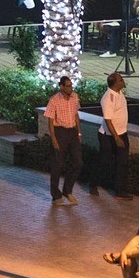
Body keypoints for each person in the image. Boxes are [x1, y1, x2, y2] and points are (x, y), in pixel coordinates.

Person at [44, 76, 82, 206]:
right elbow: (50, 121)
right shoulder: (54, 100)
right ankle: (56, 195)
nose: (70, 88)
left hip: (72, 132)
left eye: (71, 86)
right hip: (60, 132)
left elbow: (76, 115)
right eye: (68, 86)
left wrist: (79, 132)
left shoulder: (74, 97)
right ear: (61, 87)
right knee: (57, 165)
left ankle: (67, 190)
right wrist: (53, 138)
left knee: (78, 162)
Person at [101, 72, 131, 199]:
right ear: (115, 84)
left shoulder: (119, 93)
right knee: (104, 161)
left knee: (122, 162)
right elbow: (108, 120)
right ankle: (93, 182)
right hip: (110, 135)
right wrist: (116, 138)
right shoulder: (108, 98)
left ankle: (120, 190)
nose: (123, 81)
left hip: (121, 132)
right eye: (120, 80)